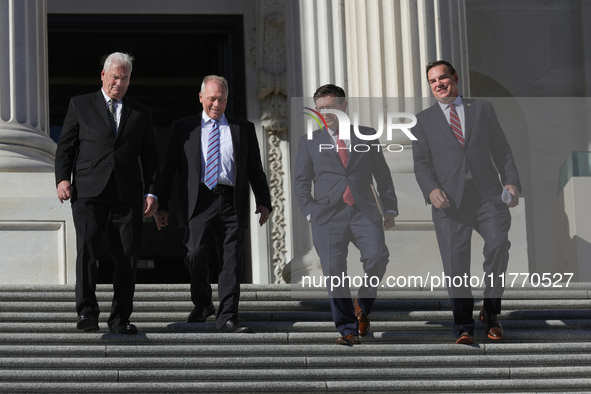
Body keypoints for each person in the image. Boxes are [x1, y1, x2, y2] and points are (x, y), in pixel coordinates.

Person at [412, 60, 521, 345]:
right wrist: (431, 190)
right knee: (456, 266)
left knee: (498, 245)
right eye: (433, 81)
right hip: (450, 203)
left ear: (455, 78)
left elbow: (501, 149)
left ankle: (491, 312)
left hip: (487, 196)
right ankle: (462, 325)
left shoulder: (482, 108)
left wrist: (511, 181)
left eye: (443, 78)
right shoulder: (422, 120)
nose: (438, 84)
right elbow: (421, 164)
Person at [155, 75, 272, 333]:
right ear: (201, 98)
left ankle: (228, 316)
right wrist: (162, 205)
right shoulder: (183, 127)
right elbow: (168, 170)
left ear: (227, 99)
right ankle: (203, 303)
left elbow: (255, 169)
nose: (216, 104)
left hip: (231, 201)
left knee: (231, 261)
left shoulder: (243, 128)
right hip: (199, 201)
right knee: (195, 254)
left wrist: (263, 200)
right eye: (211, 99)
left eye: (221, 99)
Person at [55, 52, 159, 334]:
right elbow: (66, 146)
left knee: (126, 257)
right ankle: (86, 312)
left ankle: (120, 318)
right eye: (115, 77)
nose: (119, 83)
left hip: (127, 195)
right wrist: (63, 178)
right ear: (103, 75)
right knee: (88, 250)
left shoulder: (140, 112)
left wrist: (153, 193)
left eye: (125, 78)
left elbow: (150, 158)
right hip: (88, 191)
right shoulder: (80, 105)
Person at [294, 84, 398, 345]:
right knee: (334, 271)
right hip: (327, 215)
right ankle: (347, 329)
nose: (325, 112)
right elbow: (301, 182)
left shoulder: (367, 135)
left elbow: (382, 175)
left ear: (344, 106)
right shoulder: (308, 142)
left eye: (330, 107)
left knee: (377, 257)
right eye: (320, 108)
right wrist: (310, 212)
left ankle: (361, 305)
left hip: (363, 210)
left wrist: (391, 208)